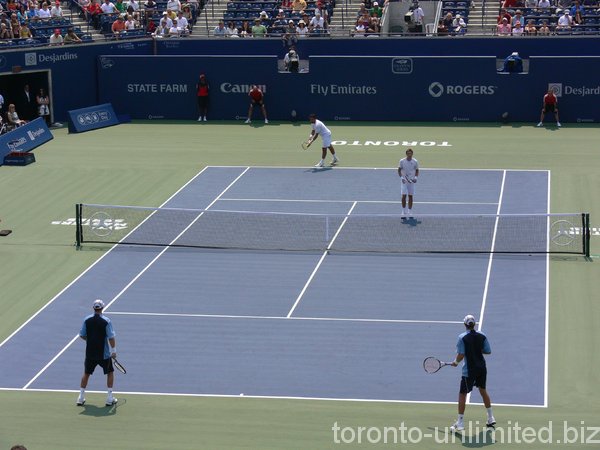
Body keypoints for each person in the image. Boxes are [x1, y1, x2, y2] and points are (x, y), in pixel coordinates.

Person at [449, 315, 495, 432]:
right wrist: (476, 349)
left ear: (465, 325)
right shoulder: (482, 335)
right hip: (481, 368)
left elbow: (461, 354)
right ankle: (490, 417)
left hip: (469, 371)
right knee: (483, 390)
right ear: (474, 324)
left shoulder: (462, 337)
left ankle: (460, 422)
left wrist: (455, 362)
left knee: (462, 394)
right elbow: (488, 351)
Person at [77, 299, 118, 407]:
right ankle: (109, 398)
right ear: (102, 308)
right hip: (103, 354)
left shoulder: (87, 320)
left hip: (90, 353)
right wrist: (113, 351)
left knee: (86, 373)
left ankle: (80, 397)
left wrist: (90, 340)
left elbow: (81, 335)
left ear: (93, 308)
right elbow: (111, 337)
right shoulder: (106, 321)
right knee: (110, 372)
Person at [398, 148, 419, 216]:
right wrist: (401, 178)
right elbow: (399, 170)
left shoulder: (415, 161)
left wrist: (415, 178)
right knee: (404, 196)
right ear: (406, 154)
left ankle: (410, 211)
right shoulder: (402, 161)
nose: (409, 154)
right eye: (408, 153)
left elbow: (417, 170)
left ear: (412, 154)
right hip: (404, 181)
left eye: (410, 153)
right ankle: (403, 211)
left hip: (411, 181)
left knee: (410, 196)